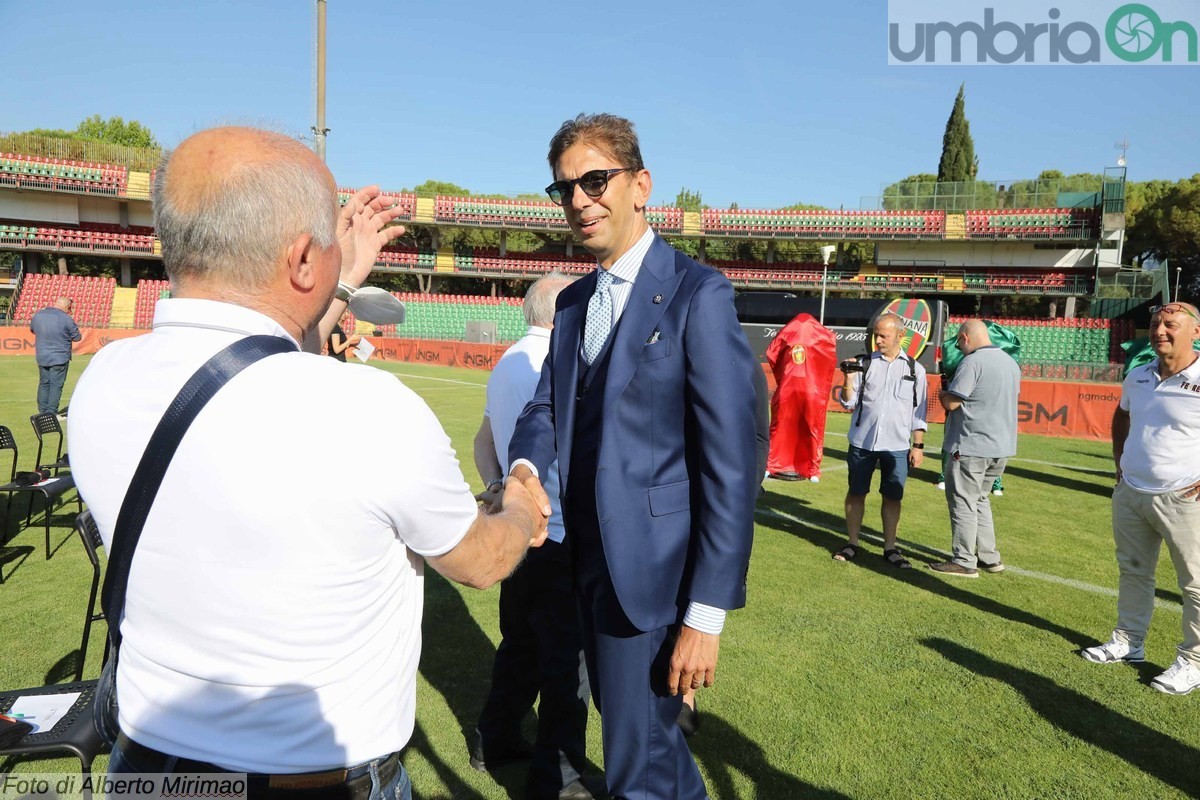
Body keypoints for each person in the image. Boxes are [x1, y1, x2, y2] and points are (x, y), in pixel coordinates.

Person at [68, 127, 549, 796]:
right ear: (300, 261)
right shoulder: (371, 410)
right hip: (315, 783)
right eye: (323, 240)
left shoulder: (103, 381)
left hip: (149, 768)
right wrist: (521, 499)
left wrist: (338, 279)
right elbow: (481, 560)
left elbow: (260, 366)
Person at [507, 113, 758, 800]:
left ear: (640, 185)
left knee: (637, 769)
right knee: (653, 754)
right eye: (565, 189)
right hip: (579, 567)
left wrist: (705, 618)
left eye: (596, 180)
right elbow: (546, 408)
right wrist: (525, 471)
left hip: (653, 583)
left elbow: (733, 466)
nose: (580, 201)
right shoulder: (573, 302)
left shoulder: (697, 294)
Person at [471, 272, 597, 800]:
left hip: (520, 530)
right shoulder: (557, 363)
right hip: (558, 533)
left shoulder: (506, 362)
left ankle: (494, 739)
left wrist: (500, 491)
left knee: (520, 646)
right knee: (568, 667)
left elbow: (483, 441)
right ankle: (559, 776)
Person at [1081, 302, 1200, 696]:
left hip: (1184, 497)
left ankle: (1193, 662)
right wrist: (1119, 460)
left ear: (1194, 332)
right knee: (1133, 571)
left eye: (1170, 324)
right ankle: (1129, 642)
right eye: (1154, 323)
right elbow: (1122, 416)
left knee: (1195, 584)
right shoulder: (1138, 375)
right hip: (1131, 491)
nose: (1160, 330)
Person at [832, 313, 927, 568]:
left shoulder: (915, 369)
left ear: (900, 335)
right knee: (856, 493)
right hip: (862, 443)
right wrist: (848, 378)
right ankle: (852, 543)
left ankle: (890, 548)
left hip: (897, 446)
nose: (878, 340)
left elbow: (919, 413)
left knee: (893, 497)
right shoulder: (865, 363)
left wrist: (918, 446)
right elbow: (848, 402)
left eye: (883, 335)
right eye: (876, 334)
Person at [929, 319, 1020, 578]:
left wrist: (943, 391)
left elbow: (953, 403)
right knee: (980, 500)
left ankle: (964, 560)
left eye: (958, 341)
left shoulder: (972, 362)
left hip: (971, 443)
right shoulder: (1010, 363)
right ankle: (990, 557)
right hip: (1000, 446)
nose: (958, 346)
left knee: (963, 501)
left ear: (965, 338)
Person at [30, 296, 82, 414]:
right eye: (70, 308)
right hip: (60, 357)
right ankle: (52, 412)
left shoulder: (38, 315)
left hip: (42, 355)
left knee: (44, 383)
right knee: (56, 385)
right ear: (67, 307)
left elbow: (33, 329)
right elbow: (77, 337)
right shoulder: (66, 318)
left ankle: (42, 412)